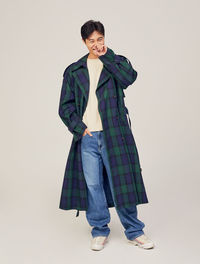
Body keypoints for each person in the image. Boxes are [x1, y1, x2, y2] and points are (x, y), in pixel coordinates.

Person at [58, 20, 155, 251]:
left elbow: (129, 78)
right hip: (88, 137)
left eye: (99, 39)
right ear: (84, 42)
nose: (96, 44)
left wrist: (107, 57)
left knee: (122, 182)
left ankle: (134, 231)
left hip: (115, 134)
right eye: (91, 40)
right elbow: (65, 106)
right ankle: (99, 229)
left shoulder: (115, 62)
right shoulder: (74, 70)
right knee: (93, 185)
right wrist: (79, 128)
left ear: (104, 38)